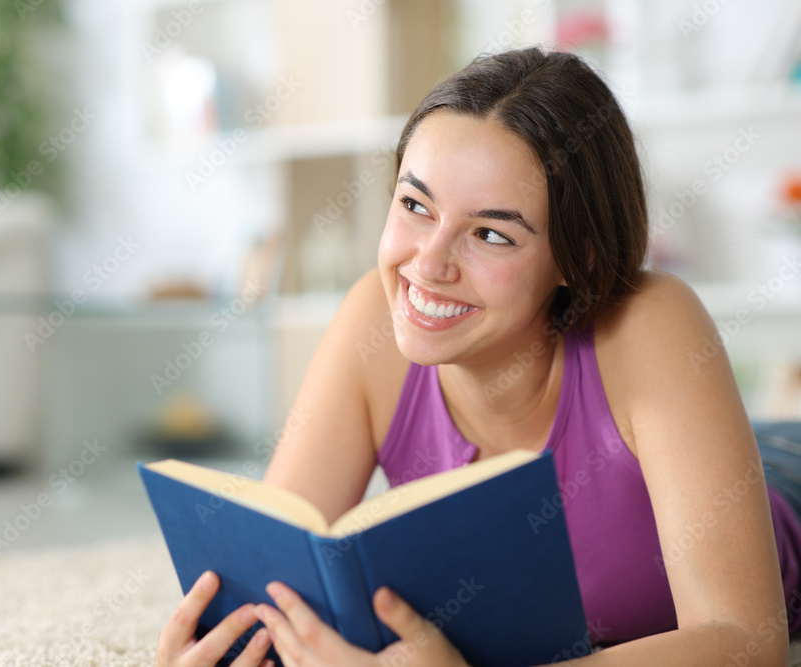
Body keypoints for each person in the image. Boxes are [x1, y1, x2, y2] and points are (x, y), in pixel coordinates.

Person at [153, 46, 801, 667]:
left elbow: (747, 641)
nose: (427, 265)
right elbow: (276, 578)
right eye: (414, 205)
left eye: (490, 233)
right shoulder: (372, 324)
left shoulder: (651, 321)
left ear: (581, 257)